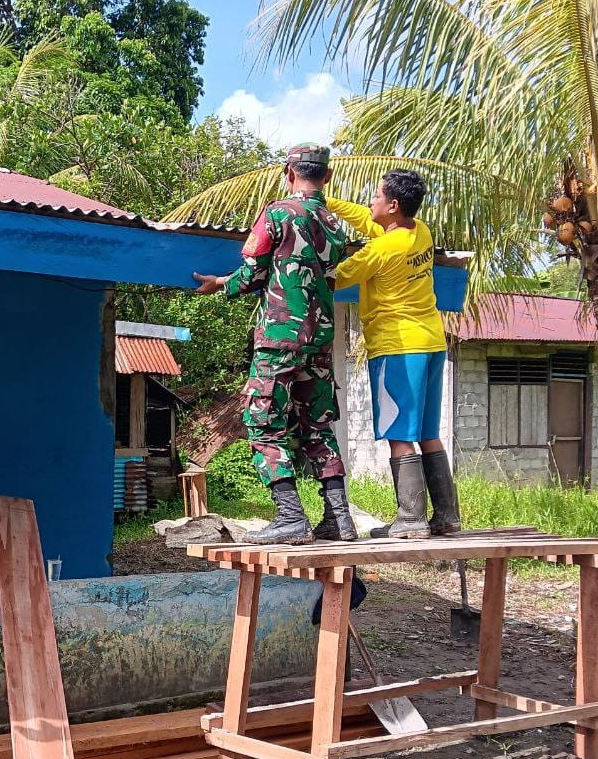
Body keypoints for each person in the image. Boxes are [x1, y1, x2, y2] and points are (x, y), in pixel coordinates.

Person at [192, 143, 357, 544]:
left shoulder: (278, 213)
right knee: (318, 427)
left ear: (289, 173)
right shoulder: (335, 225)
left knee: (263, 423)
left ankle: (290, 517)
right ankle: (340, 519)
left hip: (280, 338)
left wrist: (220, 284)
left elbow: (252, 272)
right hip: (319, 341)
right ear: (327, 177)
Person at [329, 168, 461, 538]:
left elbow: (335, 277)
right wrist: (330, 203)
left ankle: (411, 520)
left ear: (393, 205)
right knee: (427, 431)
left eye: (376, 195)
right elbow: (367, 220)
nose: (370, 201)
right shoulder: (420, 232)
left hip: (397, 349)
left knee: (399, 432)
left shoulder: (382, 250)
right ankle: (446, 517)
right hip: (431, 342)